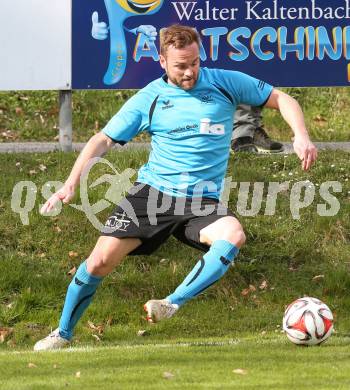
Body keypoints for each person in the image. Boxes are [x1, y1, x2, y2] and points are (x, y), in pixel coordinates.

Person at [34, 24, 317, 351]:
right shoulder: (150, 98)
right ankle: (62, 334)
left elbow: (281, 98)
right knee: (99, 263)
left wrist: (301, 135)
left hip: (201, 201)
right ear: (162, 61)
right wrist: (70, 185)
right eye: (181, 65)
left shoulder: (224, 82)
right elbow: (102, 139)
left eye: (194, 62)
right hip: (152, 196)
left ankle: (172, 302)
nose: (190, 71)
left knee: (233, 235)